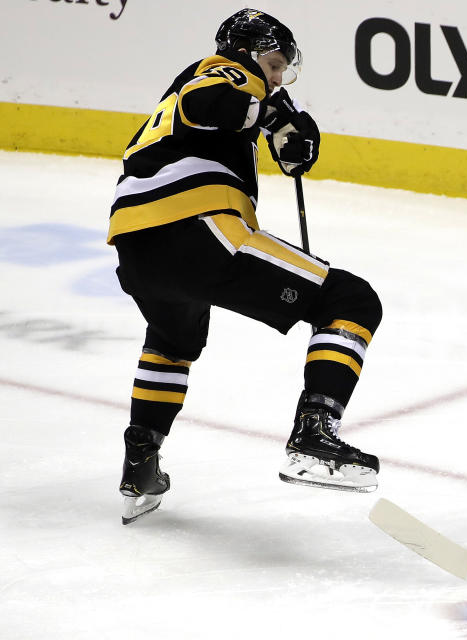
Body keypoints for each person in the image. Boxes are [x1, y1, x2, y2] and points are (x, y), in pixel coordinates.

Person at [109, 9, 382, 525]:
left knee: (173, 342)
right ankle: (314, 435)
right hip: (194, 228)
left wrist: (287, 133)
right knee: (351, 300)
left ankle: (140, 461)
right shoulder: (227, 70)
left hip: (136, 243)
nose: (277, 77)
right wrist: (274, 115)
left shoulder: (238, 92)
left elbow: (247, 122)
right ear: (251, 51)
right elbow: (206, 100)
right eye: (275, 63)